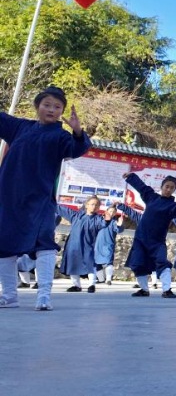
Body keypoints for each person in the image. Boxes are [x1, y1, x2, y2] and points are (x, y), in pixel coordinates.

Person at [0, 86, 91, 311]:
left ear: (62, 112)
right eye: (47, 104)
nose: (51, 109)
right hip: (10, 198)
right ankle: (9, 296)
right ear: (38, 106)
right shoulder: (20, 127)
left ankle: (44, 296)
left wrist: (78, 132)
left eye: (57, 106)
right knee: (4, 245)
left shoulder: (61, 136)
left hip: (40, 200)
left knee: (44, 244)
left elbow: (77, 148)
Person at [122, 171, 176, 299]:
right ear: (162, 186)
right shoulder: (151, 197)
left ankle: (167, 289)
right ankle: (144, 289)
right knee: (137, 263)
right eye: (167, 186)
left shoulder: (173, 206)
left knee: (161, 262)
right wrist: (131, 177)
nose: (168, 189)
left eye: (172, 187)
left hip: (157, 241)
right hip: (141, 239)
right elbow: (141, 187)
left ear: (174, 190)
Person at [57, 197, 115, 293]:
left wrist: (107, 220)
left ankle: (91, 285)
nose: (94, 206)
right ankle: (76, 286)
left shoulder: (98, 219)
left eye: (96, 205)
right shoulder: (76, 216)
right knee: (73, 265)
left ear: (99, 207)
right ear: (86, 205)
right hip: (73, 245)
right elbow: (60, 208)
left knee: (90, 264)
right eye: (92, 204)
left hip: (88, 246)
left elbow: (103, 224)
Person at [94, 206, 124, 285]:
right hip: (98, 244)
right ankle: (101, 279)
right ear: (106, 211)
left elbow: (119, 229)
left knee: (108, 262)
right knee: (96, 262)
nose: (112, 213)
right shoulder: (100, 219)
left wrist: (120, 225)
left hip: (108, 244)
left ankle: (108, 279)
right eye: (110, 211)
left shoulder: (114, 222)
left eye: (113, 212)